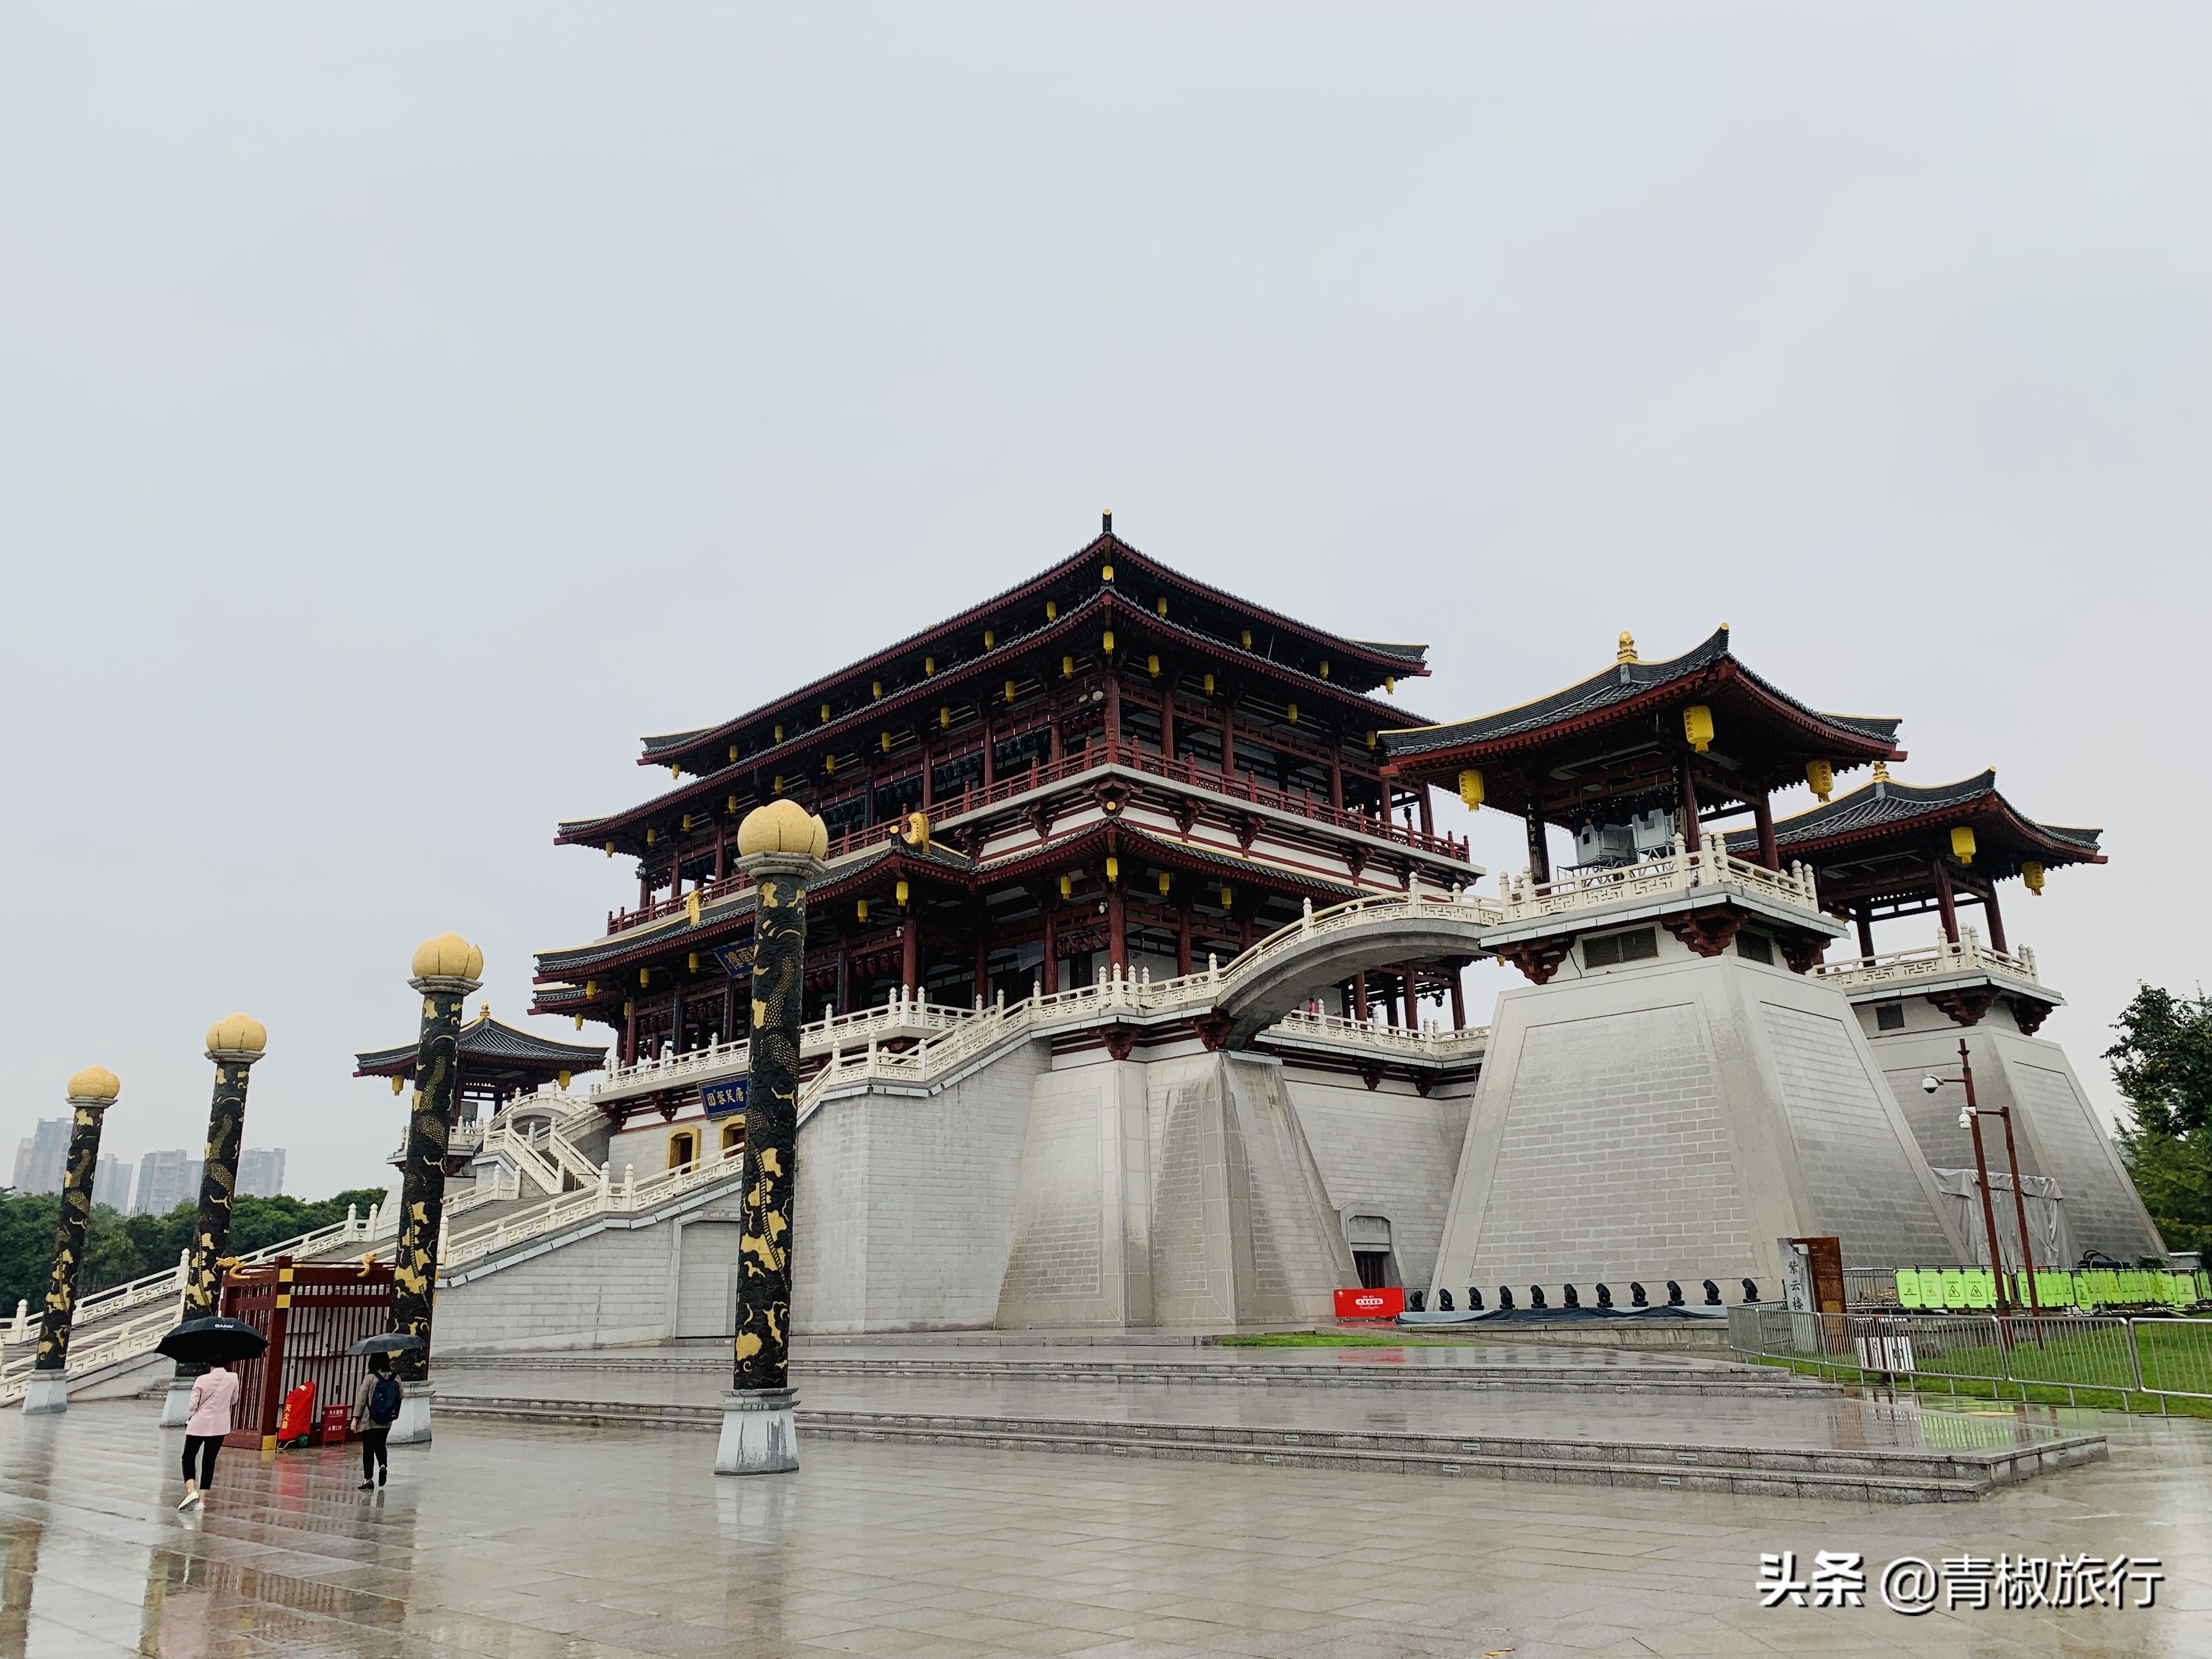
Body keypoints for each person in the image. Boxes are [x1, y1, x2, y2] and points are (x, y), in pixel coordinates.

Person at [178, 1362, 239, 1511]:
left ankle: (191, 1491)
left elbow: (192, 1406)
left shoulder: (202, 1380)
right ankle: (202, 1501)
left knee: (189, 1456)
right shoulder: (233, 1378)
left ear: (211, 1365)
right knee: (209, 1461)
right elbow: (234, 1400)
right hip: (220, 1426)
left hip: (199, 1425)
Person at [351, 1357, 401, 1491]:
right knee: (381, 1444)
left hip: (370, 1419)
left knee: (368, 1449)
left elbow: (361, 1399)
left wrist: (356, 1417)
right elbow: (401, 1395)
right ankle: (383, 1465)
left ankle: (368, 1480)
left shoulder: (370, 1378)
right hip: (386, 1419)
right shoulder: (396, 1378)